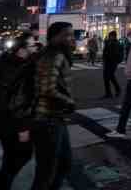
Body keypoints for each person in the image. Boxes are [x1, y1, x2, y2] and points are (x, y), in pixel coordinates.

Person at [0, 33, 37, 190]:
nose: (35, 48)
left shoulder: (5, 62)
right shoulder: (19, 69)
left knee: (10, 157)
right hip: (12, 123)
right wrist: (23, 127)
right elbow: (17, 101)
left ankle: (2, 185)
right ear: (22, 49)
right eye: (32, 45)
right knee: (21, 156)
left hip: (0, 120)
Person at [31, 22, 77, 188]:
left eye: (72, 35)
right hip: (46, 120)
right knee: (47, 171)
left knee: (63, 165)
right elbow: (47, 89)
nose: (72, 39)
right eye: (68, 35)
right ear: (55, 37)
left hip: (55, 118)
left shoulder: (57, 54)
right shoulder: (54, 55)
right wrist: (69, 101)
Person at [102, 31, 123, 99]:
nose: (109, 37)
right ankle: (111, 92)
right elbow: (105, 51)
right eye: (109, 36)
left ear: (114, 36)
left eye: (110, 36)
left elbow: (115, 54)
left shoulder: (116, 43)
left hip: (112, 63)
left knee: (109, 77)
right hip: (107, 62)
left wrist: (115, 60)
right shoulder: (108, 42)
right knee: (108, 77)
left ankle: (113, 92)